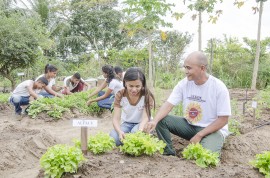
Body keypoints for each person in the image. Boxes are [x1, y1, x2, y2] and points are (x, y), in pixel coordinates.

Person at [144, 51, 231, 156]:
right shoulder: (183, 84)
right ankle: (169, 153)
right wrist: (154, 121)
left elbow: (223, 120)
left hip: (212, 130)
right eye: (185, 67)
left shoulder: (218, 87)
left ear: (202, 68)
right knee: (161, 120)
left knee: (205, 156)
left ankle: (209, 143)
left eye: (189, 68)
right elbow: (168, 104)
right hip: (190, 126)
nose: (185, 71)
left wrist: (199, 135)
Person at [110, 67, 155, 146]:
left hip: (143, 123)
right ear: (125, 83)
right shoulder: (120, 94)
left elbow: (145, 118)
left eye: (137, 86)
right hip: (127, 123)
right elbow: (116, 119)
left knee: (135, 133)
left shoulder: (147, 96)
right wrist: (120, 132)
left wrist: (140, 130)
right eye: (131, 86)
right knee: (114, 137)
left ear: (142, 84)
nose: (134, 90)